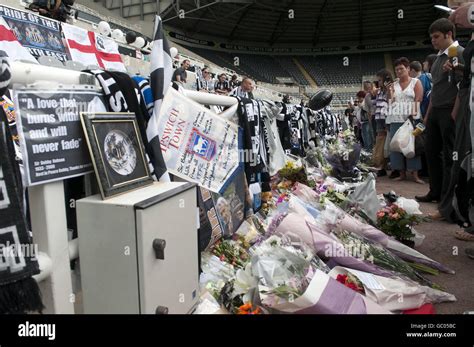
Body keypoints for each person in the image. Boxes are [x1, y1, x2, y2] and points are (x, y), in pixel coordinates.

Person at [416, 18, 465, 217]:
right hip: (436, 111)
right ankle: (435, 192)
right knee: (431, 152)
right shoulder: (438, 58)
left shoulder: (459, 54)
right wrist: (427, 116)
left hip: (449, 111)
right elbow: (435, 90)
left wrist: (454, 113)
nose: (433, 41)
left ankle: (448, 205)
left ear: (449, 34)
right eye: (432, 37)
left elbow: (463, 86)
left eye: (436, 37)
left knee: (449, 158)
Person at [386, 57, 424, 184]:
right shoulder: (393, 85)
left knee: (412, 145)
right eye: (397, 70)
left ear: (408, 69)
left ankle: (415, 174)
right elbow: (390, 102)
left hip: (412, 119)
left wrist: (412, 115)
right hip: (395, 118)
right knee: (396, 145)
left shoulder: (415, 82)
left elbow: (418, 98)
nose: (399, 71)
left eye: (401, 68)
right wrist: (389, 92)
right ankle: (401, 173)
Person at [373, 69, 393, 177]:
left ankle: (385, 165)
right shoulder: (379, 91)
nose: (378, 82)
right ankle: (382, 166)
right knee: (381, 142)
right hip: (379, 118)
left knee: (386, 142)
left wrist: (389, 89)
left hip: (386, 118)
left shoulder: (389, 90)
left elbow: (390, 102)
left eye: (380, 80)